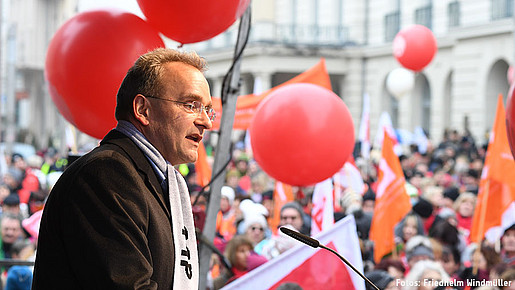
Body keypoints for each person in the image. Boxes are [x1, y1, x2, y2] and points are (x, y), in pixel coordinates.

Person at [32, 48, 215, 289]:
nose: (206, 122)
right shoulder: (107, 173)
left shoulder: (159, 179)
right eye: (191, 105)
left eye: (208, 109)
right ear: (142, 109)